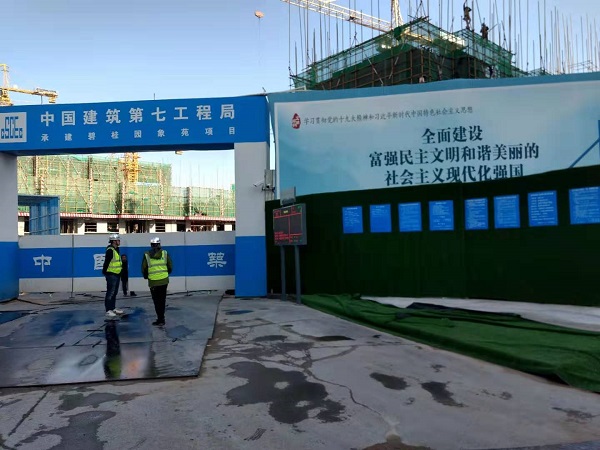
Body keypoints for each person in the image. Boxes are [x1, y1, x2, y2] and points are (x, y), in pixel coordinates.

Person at [141, 237, 173, 326]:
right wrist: (165, 274)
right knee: (162, 300)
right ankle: (162, 318)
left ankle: (160, 318)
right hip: (164, 280)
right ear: (159, 244)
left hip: (153, 281)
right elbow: (170, 266)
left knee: (156, 301)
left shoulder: (147, 255)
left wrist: (146, 276)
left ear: (151, 245)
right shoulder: (165, 253)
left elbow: (144, 268)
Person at [102, 234, 125, 319]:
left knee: (114, 292)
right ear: (114, 241)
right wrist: (105, 272)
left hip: (116, 273)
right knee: (110, 292)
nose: (119, 241)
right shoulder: (110, 250)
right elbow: (107, 262)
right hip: (111, 274)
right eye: (118, 240)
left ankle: (113, 308)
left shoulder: (116, 249)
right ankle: (108, 310)